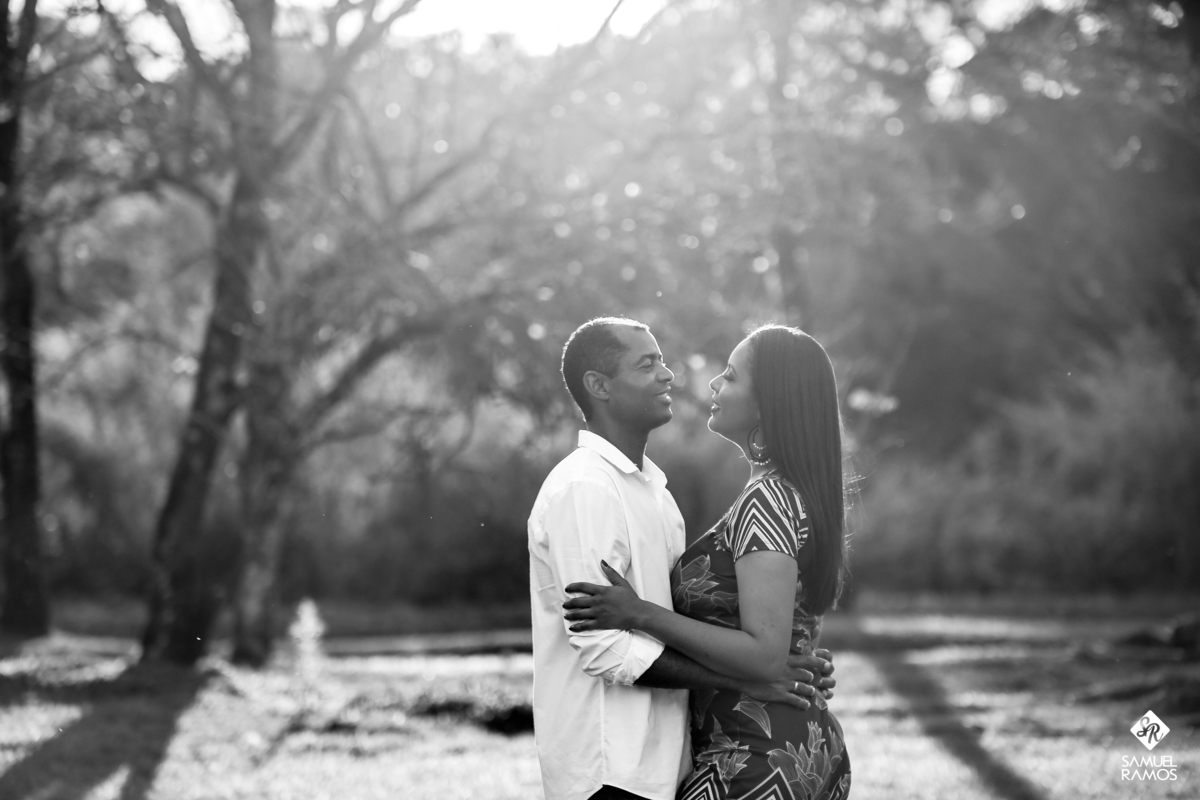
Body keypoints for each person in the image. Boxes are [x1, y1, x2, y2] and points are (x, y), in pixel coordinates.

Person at [529, 318, 836, 800]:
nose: (669, 374)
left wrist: (785, 658)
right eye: (646, 364)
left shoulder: (657, 494)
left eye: (662, 360)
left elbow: (730, 630)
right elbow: (604, 647)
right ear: (599, 386)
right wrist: (753, 677)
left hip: (687, 760)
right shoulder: (585, 488)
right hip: (612, 767)